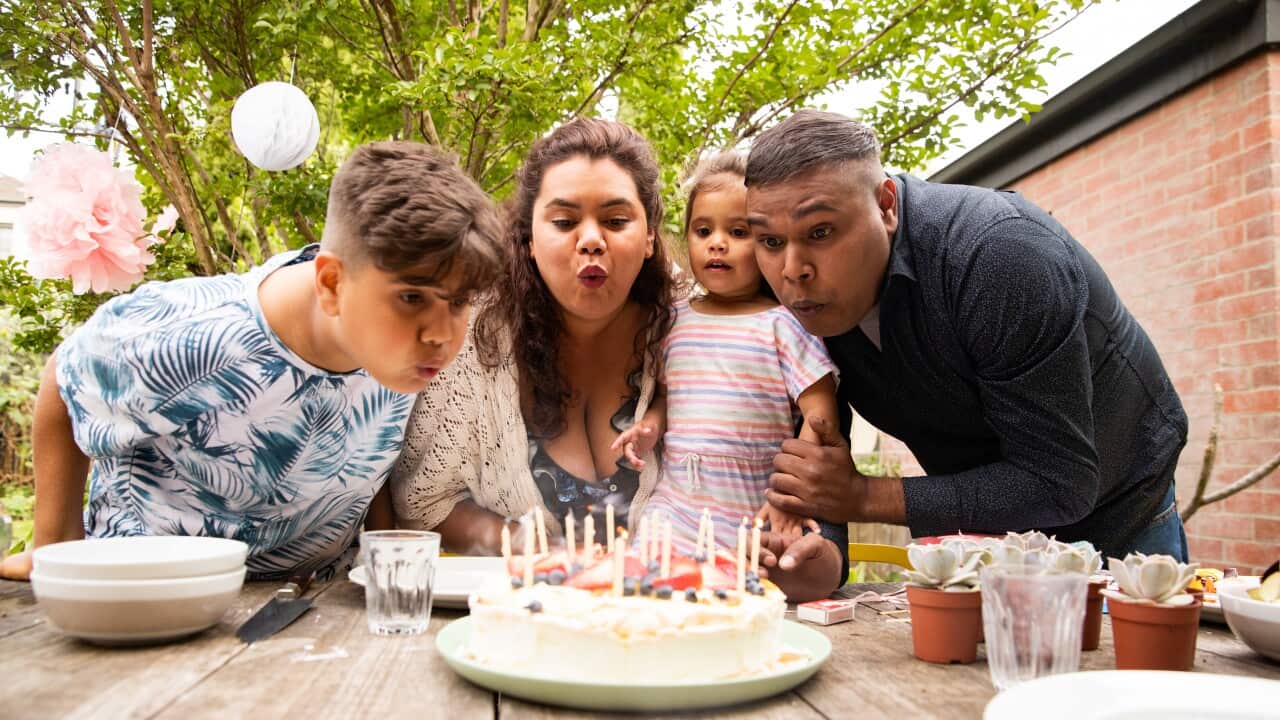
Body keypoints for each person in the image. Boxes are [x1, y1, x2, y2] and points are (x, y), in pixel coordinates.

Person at [0, 141, 503, 581]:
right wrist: (54, 548)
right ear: (331, 283)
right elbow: (65, 377)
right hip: (147, 599)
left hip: (307, 608)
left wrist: (386, 558)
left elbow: (365, 454)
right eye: (413, 298)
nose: (441, 335)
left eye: (458, 302)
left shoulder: (398, 352)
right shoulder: (196, 337)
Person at [747, 110, 1189, 598]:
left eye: (821, 232)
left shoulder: (999, 255)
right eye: (770, 241)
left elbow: (1058, 481)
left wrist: (866, 496)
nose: (793, 270)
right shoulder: (793, 302)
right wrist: (811, 562)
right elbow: (821, 470)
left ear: (886, 205)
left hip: (1119, 521)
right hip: (984, 539)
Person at [389, 118, 678, 553]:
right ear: (527, 240)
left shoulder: (693, 332)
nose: (591, 241)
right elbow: (423, 503)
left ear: (650, 237)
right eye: (564, 222)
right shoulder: (472, 338)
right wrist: (529, 547)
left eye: (616, 221)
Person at [615, 150, 839, 554]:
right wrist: (649, 427)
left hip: (755, 509)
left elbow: (821, 413)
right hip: (676, 507)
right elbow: (671, 396)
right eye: (703, 231)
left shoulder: (783, 324)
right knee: (646, 582)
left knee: (751, 599)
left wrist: (790, 496)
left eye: (738, 233)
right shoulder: (673, 320)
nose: (717, 244)